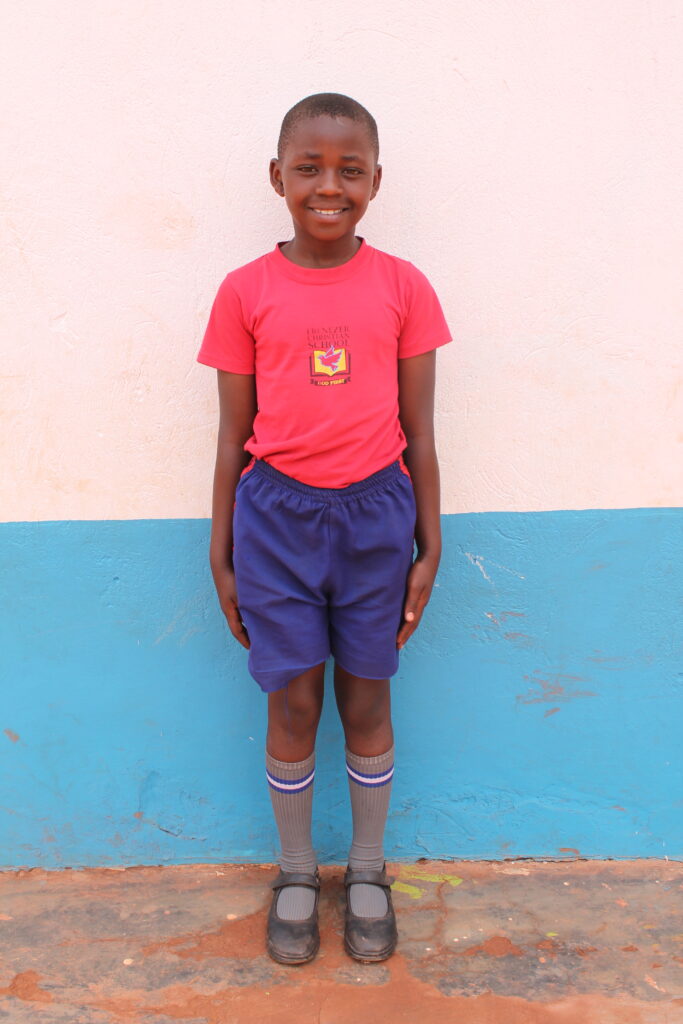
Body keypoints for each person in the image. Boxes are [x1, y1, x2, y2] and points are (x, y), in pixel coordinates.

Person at [197, 93, 451, 966]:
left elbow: (420, 433)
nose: (329, 186)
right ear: (278, 177)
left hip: (377, 517)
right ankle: (298, 871)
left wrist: (430, 543)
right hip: (274, 521)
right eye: (309, 168)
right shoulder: (244, 291)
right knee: (294, 699)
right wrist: (221, 549)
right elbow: (231, 435)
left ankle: (368, 869)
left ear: (376, 181)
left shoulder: (403, 286)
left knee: (366, 698)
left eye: (350, 170)